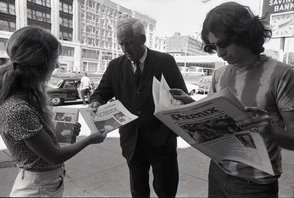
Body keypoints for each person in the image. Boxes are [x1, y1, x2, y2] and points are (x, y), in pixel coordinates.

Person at [170, 2, 294, 198]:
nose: (219, 53)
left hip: (256, 184)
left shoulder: (283, 75)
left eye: (223, 43)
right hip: (219, 172)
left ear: (243, 34)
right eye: (213, 46)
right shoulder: (219, 75)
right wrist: (190, 104)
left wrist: (271, 130)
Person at [0, 26, 106, 197]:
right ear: (40, 64)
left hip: (44, 184)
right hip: (38, 189)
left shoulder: (25, 98)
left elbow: (40, 147)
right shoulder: (18, 108)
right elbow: (54, 156)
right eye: (54, 58)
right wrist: (90, 139)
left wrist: (64, 134)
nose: (57, 64)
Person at [89, 17, 188, 198]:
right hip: (132, 142)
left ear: (142, 39)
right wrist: (96, 101)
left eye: (129, 43)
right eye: (121, 44)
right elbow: (101, 92)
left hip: (162, 141)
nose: (125, 49)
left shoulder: (165, 62)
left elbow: (182, 95)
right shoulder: (115, 66)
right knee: (138, 191)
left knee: (166, 189)